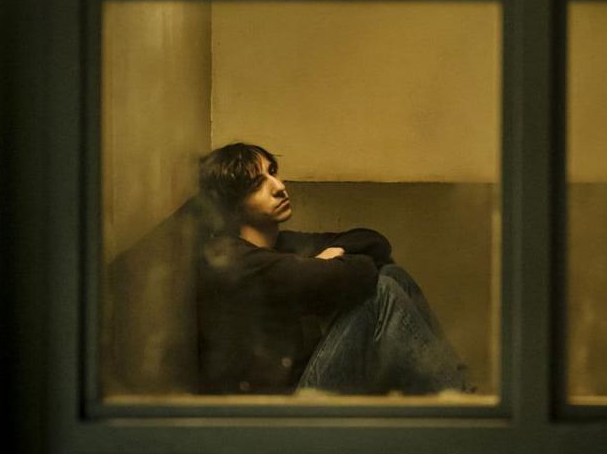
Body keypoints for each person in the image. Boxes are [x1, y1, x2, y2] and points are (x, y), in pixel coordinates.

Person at [194, 142, 471, 395]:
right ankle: (458, 403)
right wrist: (324, 266)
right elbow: (362, 272)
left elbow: (374, 241)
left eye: (273, 172)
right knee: (382, 292)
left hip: (305, 382)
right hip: (278, 413)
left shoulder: (283, 244)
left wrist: (330, 259)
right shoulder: (236, 260)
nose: (278, 186)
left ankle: (458, 388)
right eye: (258, 184)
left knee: (392, 274)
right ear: (233, 205)